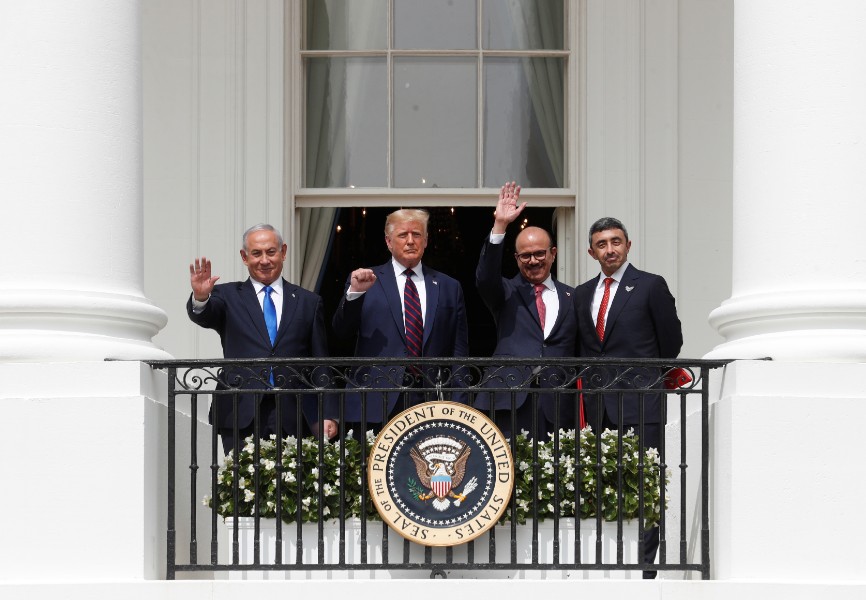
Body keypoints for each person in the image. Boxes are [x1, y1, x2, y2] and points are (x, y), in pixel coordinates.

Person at [573, 216, 683, 578]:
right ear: (592, 252)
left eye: (616, 242)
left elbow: (671, 343)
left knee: (644, 484)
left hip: (641, 404)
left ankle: (645, 571)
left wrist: (647, 379)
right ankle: (607, 565)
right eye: (602, 244)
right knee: (602, 484)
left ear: (628, 245)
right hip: (597, 407)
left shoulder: (650, 286)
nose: (610, 250)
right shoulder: (582, 294)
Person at [187, 224, 337, 455]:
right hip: (240, 409)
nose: (264, 260)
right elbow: (205, 316)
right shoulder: (227, 295)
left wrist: (327, 412)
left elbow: (320, 361)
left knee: (292, 477)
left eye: (271, 252)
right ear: (244, 257)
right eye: (256, 253)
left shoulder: (308, 301)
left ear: (283, 252)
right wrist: (200, 296)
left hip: (293, 411)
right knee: (241, 477)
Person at [332, 209, 469, 437]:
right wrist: (355, 294)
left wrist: (460, 406)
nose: (410, 241)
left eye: (417, 234)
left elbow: (459, 352)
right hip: (375, 401)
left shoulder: (448, 287)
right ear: (388, 241)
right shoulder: (367, 280)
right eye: (403, 235)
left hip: (430, 401)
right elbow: (341, 332)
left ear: (426, 241)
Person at [474, 181, 579, 440]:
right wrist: (500, 226)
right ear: (517, 259)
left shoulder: (574, 297)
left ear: (553, 253)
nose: (533, 261)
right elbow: (485, 277)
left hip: (557, 403)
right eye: (525, 256)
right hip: (508, 399)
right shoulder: (506, 292)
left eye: (540, 253)